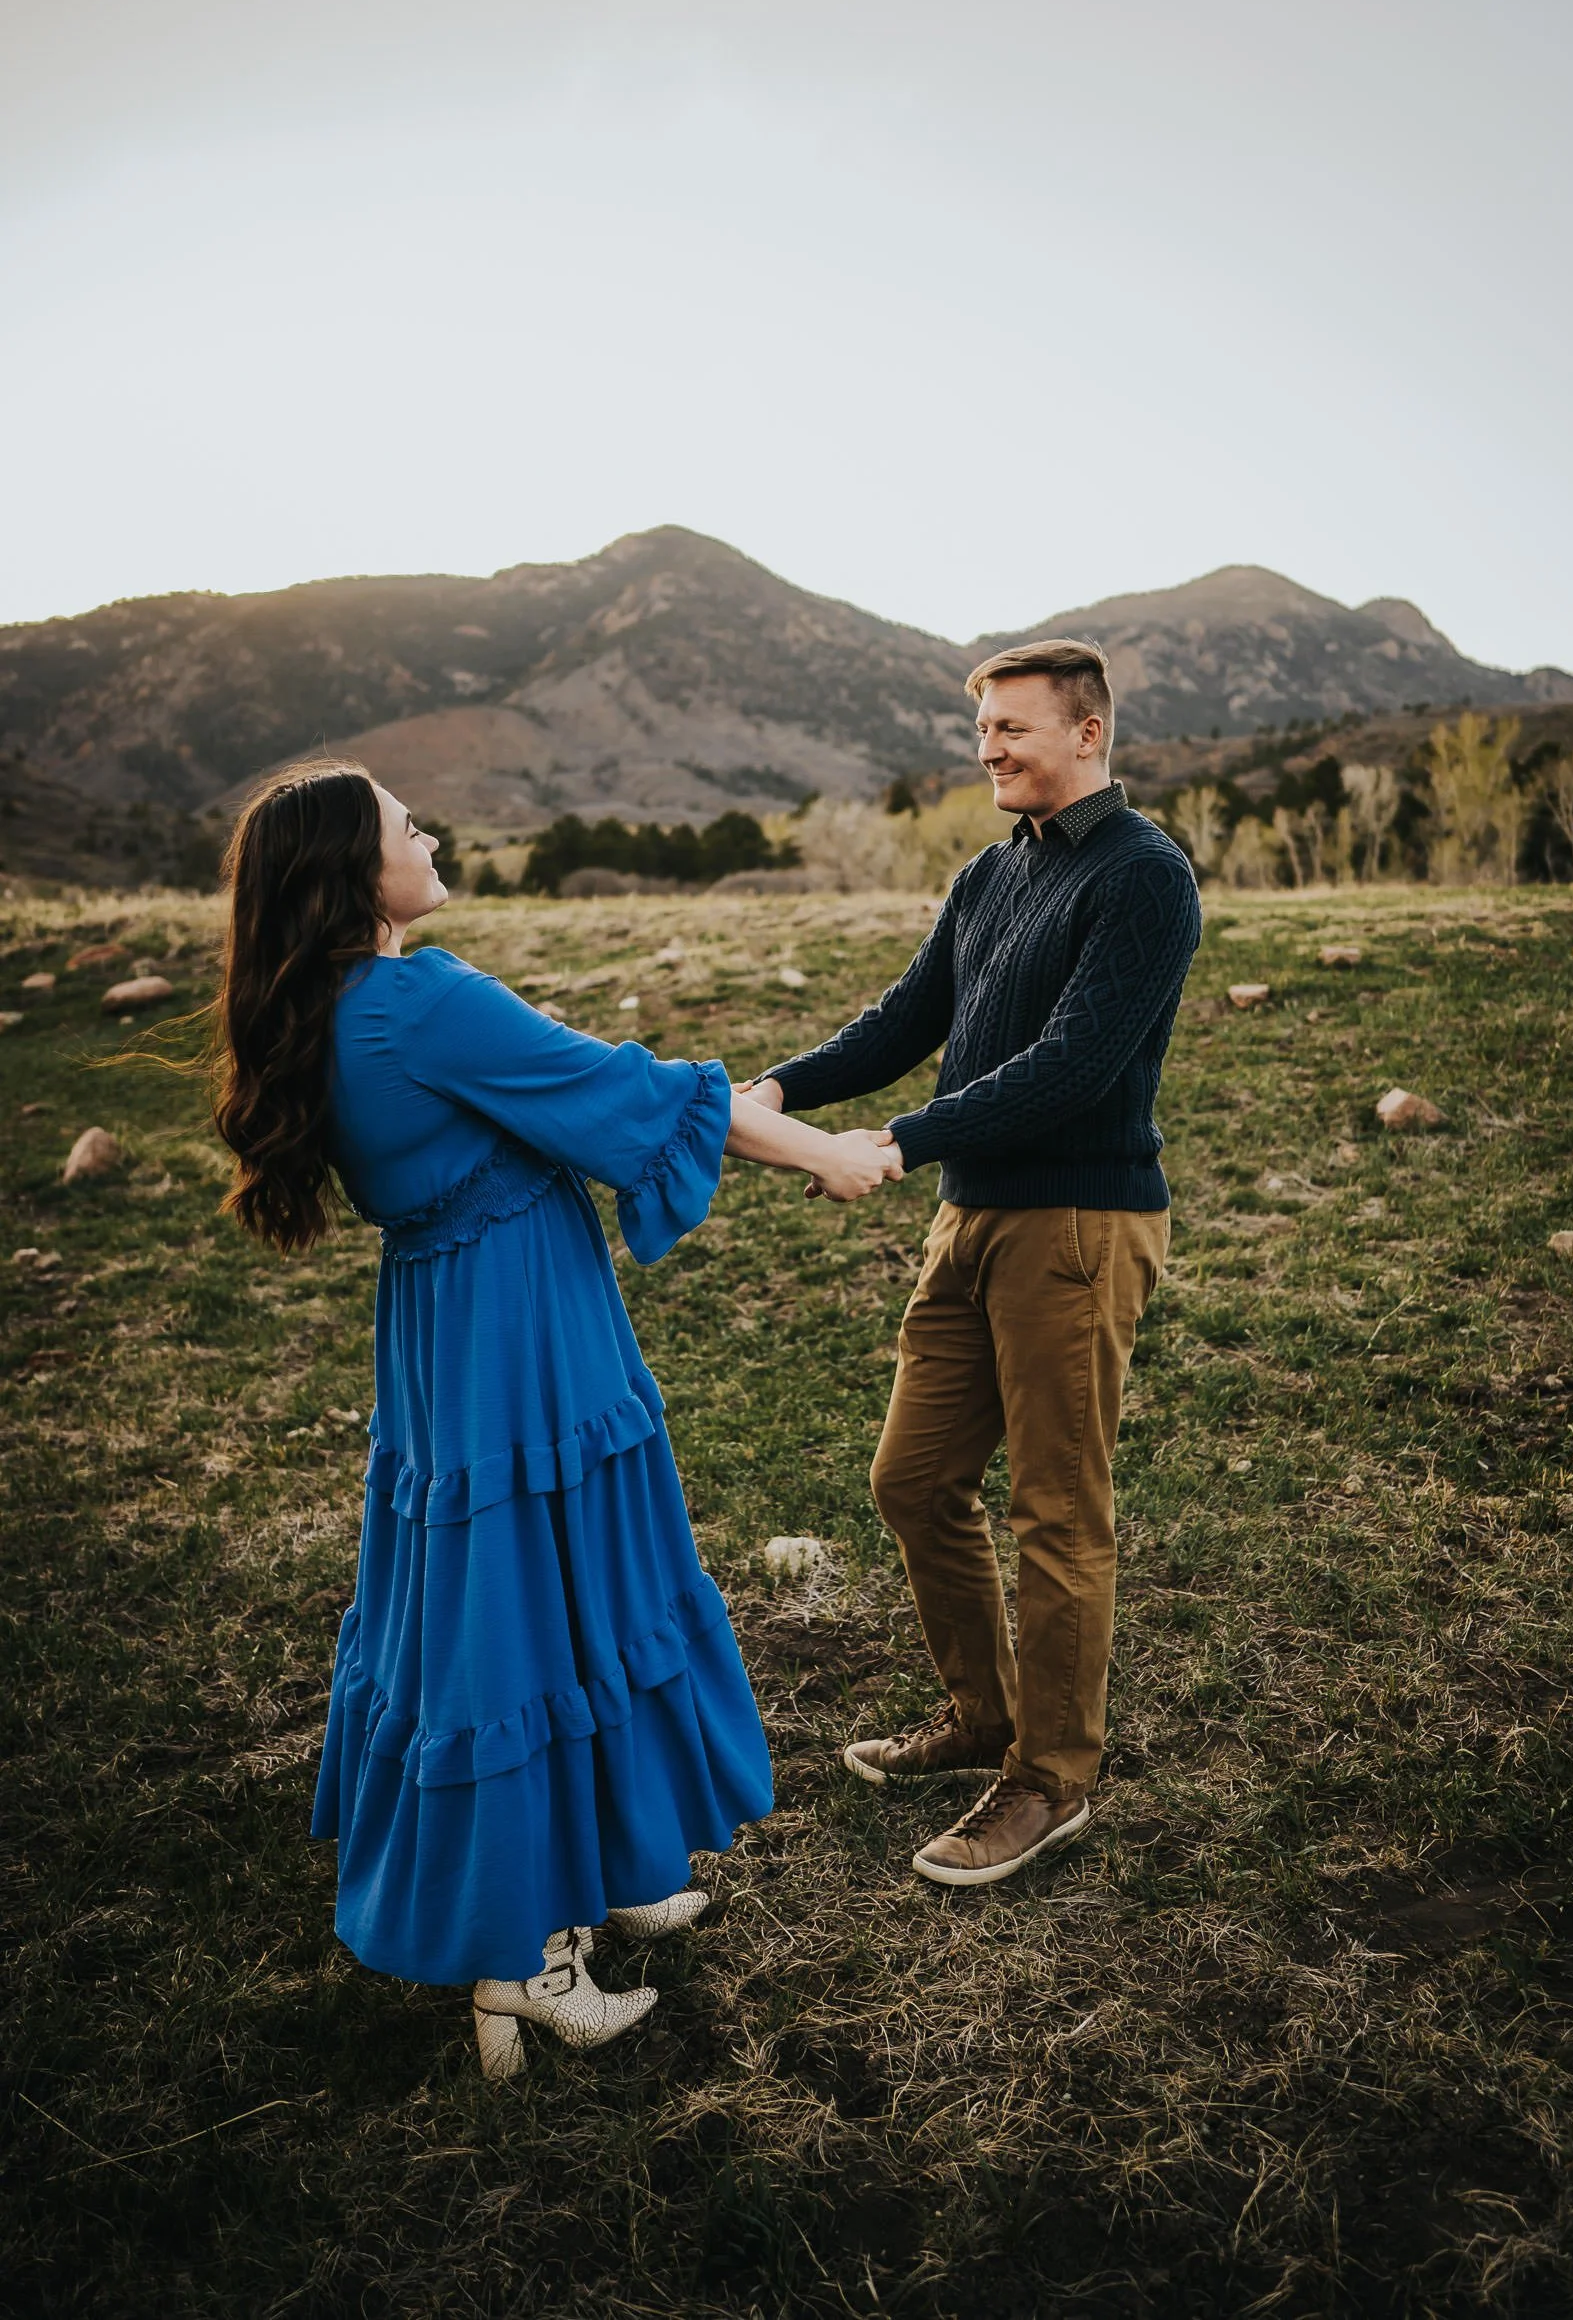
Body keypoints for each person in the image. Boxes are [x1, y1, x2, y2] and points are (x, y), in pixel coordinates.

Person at [210, 760, 900, 2078]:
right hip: (516, 1342)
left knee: (552, 1596)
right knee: (524, 1617)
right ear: (359, 877)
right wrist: (828, 1153)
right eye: (405, 825)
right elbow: (622, 1094)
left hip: (454, 1335)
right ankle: (523, 1958)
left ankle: (599, 1863)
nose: (429, 831)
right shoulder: (419, 1001)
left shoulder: (338, 1006)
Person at [746, 641, 1201, 1888]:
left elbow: (1073, 1064)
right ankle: (982, 1715)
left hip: (1077, 1226)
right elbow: (907, 1017)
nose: (988, 748)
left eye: (1011, 728)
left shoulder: (1145, 876)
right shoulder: (991, 871)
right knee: (912, 1478)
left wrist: (898, 1139)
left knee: (1059, 1510)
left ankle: (1052, 1778)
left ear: (1089, 732)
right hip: (972, 1219)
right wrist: (778, 1089)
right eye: (982, 729)